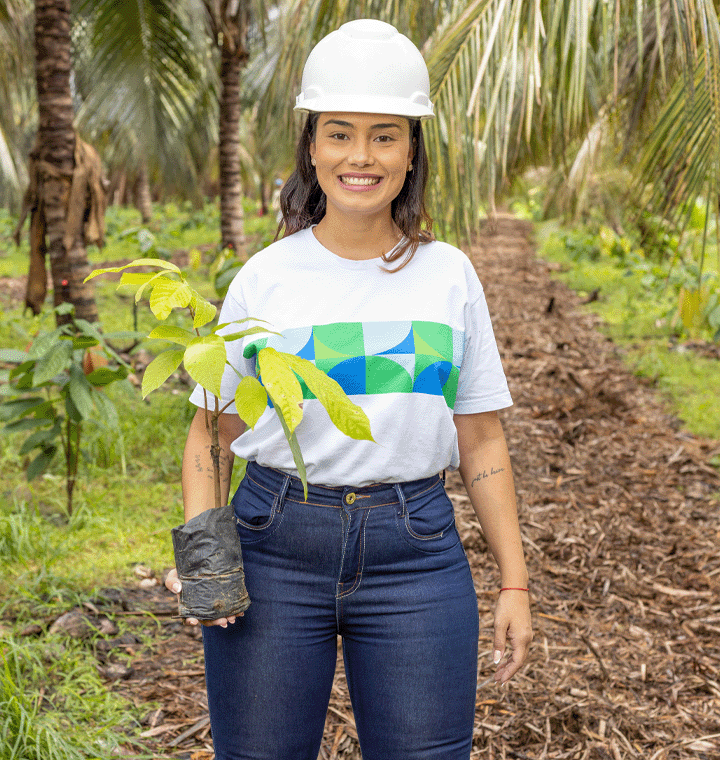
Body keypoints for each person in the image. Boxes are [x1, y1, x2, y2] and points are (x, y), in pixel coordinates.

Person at [166, 18, 532, 760]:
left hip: (417, 552)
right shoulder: (265, 278)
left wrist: (514, 584)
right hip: (273, 545)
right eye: (339, 133)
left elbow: (482, 438)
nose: (360, 156)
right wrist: (206, 569)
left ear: (411, 149)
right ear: (311, 145)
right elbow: (212, 433)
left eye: (384, 135)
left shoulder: (450, 275)